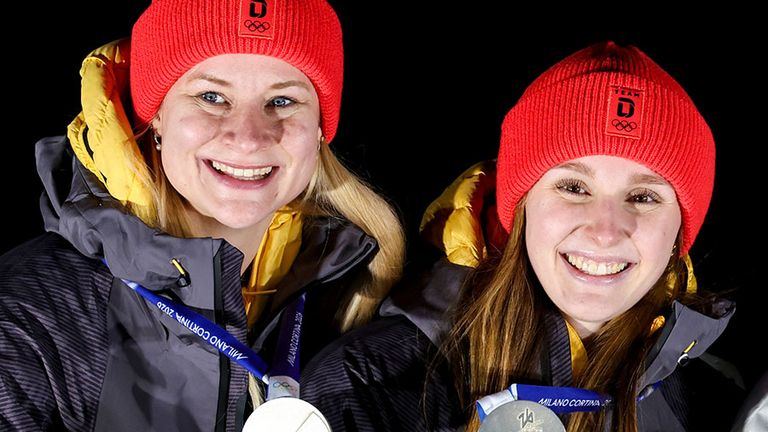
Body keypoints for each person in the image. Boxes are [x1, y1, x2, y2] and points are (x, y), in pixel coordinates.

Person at [0, 1, 405, 431]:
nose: (248, 138)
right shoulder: (28, 317)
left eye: (282, 100)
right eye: (211, 97)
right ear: (156, 116)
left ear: (320, 129)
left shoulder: (360, 294)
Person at [301, 41, 744, 431]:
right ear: (521, 205)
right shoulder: (363, 384)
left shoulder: (717, 406)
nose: (605, 231)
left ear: (680, 231)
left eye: (644, 197)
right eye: (574, 187)